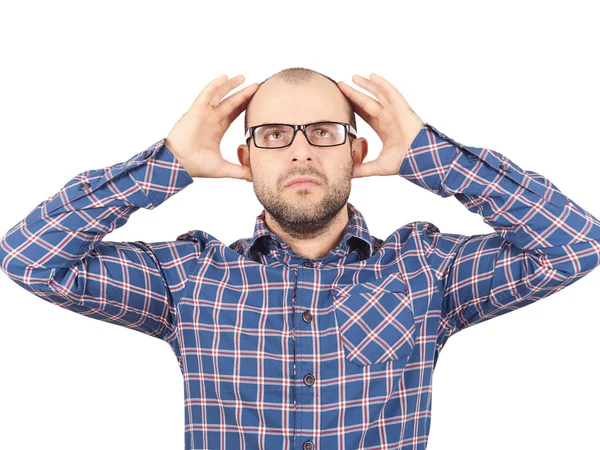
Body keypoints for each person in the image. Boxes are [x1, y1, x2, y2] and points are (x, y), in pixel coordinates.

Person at [1, 67, 599, 450]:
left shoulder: (427, 271)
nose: (300, 152)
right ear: (245, 156)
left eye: (322, 132)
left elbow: (575, 245)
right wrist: (169, 162)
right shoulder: (187, 279)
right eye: (274, 136)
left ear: (357, 148)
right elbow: (31, 258)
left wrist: (430, 155)